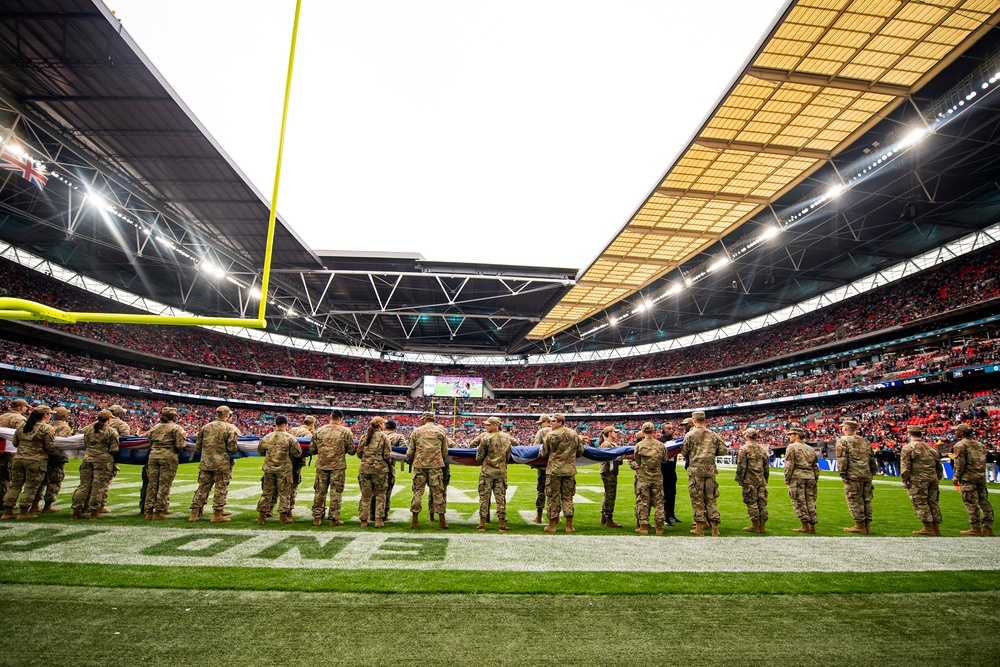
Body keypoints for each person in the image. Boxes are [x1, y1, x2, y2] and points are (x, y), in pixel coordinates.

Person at [1, 404, 55, 520]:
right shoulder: (46, 428)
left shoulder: (22, 426)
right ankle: (24, 512)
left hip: (18, 459)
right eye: (50, 414)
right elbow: (50, 447)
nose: (50, 416)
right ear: (45, 415)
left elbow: (15, 443)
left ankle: (7, 511)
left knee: (15, 486)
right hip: (36, 461)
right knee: (31, 486)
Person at [189, 405, 239, 523]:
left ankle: (194, 513)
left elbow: (198, 446)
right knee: (220, 488)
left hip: (206, 462)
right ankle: (217, 513)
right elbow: (232, 448)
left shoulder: (206, 427)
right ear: (227, 416)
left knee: (202, 487)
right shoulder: (229, 428)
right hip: (221, 464)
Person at [681, 410, 728, 536]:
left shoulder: (690, 435)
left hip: (696, 471)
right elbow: (724, 450)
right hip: (710, 471)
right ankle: (715, 529)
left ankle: (699, 528)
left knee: (697, 500)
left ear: (694, 420)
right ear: (704, 420)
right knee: (711, 499)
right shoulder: (713, 434)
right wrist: (711, 454)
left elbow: (684, 451)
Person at [469, 416, 517, 532]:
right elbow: (509, 454)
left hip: (487, 471)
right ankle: (501, 524)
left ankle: (482, 524)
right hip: (501, 471)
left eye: (488, 425)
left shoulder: (486, 437)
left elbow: (479, 456)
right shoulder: (507, 438)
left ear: (495, 425)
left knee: (484, 497)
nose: (486, 426)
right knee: (500, 497)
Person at [70, 409, 119, 521]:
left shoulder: (88, 430)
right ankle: (94, 513)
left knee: (83, 486)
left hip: (87, 459)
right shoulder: (111, 431)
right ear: (108, 419)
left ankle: (76, 511)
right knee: (98, 487)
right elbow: (114, 449)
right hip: (103, 461)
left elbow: (86, 444)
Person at [310, 409, 357, 526]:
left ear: (330, 417)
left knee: (319, 492)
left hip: (322, 465)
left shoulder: (320, 430)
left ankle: (317, 517)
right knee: (336, 492)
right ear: (341, 419)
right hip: (338, 466)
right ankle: (334, 519)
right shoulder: (346, 431)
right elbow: (351, 451)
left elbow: (312, 449)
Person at [540, 413, 584, 533]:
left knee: (552, 497)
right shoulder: (574, 434)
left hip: (554, 471)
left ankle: (552, 525)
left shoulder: (550, 435)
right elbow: (580, 451)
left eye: (554, 421)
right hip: (569, 471)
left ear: (560, 422)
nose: (551, 423)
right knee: (568, 497)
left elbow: (543, 453)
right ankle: (569, 526)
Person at [406, 412, 449, 530]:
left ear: (425, 419)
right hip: (435, 466)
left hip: (420, 465)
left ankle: (415, 521)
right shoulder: (440, 431)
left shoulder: (417, 431)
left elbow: (410, 451)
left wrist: (409, 461)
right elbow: (445, 451)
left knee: (418, 492)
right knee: (438, 492)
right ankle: (442, 521)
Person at [256, 415, 302, 525]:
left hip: (269, 468)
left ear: (275, 423)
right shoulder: (290, 438)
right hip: (284, 470)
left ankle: (262, 517)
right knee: (284, 493)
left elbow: (260, 451)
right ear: (286, 424)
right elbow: (297, 453)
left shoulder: (267, 437)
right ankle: (283, 517)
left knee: (266, 492)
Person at [143, 407, 187, 521]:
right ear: (173, 416)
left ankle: (148, 511)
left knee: (152, 484)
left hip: (153, 456)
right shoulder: (176, 428)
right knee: (164, 485)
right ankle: (159, 511)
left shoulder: (154, 428)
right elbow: (180, 445)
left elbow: (148, 440)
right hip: (168, 457)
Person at [952, 423, 994, 536]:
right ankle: (988, 527)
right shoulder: (980, 445)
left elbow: (960, 463)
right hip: (980, 477)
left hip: (968, 478)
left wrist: (956, 477)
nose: (955, 432)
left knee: (970, 502)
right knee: (984, 501)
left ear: (962, 432)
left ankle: (975, 527)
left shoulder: (960, 445)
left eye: (957, 430)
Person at [900, 425, 943, 536]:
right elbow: (939, 465)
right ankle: (936, 528)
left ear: (909, 434)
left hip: (918, 479)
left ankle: (928, 527)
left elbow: (906, 466)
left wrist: (904, 480)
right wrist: (938, 476)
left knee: (920, 502)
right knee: (933, 502)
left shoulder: (908, 448)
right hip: (932, 478)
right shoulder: (931, 447)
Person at [836, 418, 877, 534]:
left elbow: (842, 459)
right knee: (867, 500)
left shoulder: (843, 441)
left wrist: (842, 474)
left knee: (854, 500)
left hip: (853, 475)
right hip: (866, 474)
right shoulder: (865, 441)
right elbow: (872, 459)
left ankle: (859, 525)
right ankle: (867, 525)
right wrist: (872, 472)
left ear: (845, 428)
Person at [32, 405, 71, 514]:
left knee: (41, 481)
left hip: (43, 457)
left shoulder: (47, 425)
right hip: (57, 458)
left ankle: (35, 505)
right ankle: (47, 506)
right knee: (54, 481)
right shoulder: (64, 427)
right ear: (64, 415)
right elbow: (61, 442)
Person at [631, 422, 666, 535]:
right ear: (653, 431)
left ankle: (643, 526)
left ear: (642, 431)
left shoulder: (639, 445)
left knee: (643, 502)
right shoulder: (660, 445)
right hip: (657, 478)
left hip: (644, 478)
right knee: (659, 503)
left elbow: (637, 461)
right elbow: (664, 460)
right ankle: (659, 528)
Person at [357, 416, 391, 528]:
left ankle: (363, 520)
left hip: (365, 469)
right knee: (380, 495)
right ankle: (378, 520)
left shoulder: (364, 437)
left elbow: (359, 453)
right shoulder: (384, 437)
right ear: (380, 425)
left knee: (365, 496)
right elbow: (387, 455)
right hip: (379, 470)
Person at [783, 426, 819, 534]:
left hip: (797, 477)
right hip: (810, 477)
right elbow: (815, 467)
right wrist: (815, 478)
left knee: (799, 501)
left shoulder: (792, 447)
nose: (789, 436)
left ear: (797, 435)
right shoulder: (811, 449)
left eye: (791, 434)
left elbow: (789, 464)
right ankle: (812, 526)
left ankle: (805, 526)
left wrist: (787, 477)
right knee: (810, 501)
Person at [735, 427, 770, 533]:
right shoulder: (762, 449)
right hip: (761, 480)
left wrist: (739, 479)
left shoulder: (744, 449)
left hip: (749, 480)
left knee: (752, 503)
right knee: (762, 503)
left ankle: (755, 525)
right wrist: (766, 478)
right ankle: (762, 526)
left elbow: (741, 466)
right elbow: (766, 466)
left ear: (747, 436)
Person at [100, 404, 130, 513]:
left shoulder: (95, 424)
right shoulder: (122, 425)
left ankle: (83, 506)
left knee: (87, 483)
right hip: (109, 457)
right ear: (119, 413)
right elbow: (126, 441)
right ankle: (99, 506)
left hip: (90, 456)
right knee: (103, 483)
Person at [282, 415, 315, 516]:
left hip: (284, 460)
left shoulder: (292, 430)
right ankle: (288, 510)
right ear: (312, 425)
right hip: (296, 462)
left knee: (281, 485)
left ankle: (269, 508)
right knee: (293, 485)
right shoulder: (307, 434)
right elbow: (310, 448)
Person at [375, 419, 406, 523]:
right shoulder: (398, 436)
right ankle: (384, 515)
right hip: (388, 465)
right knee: (386, 491)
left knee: (372, 491)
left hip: (373, 465)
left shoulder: (377, 435)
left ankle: (371, 514)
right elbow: (404, 449)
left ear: (385, 426)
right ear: (395, 428)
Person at [0, 399, 29, 502]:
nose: (26, 409)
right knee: (7, 477)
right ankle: (4, 502)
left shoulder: (2, 416)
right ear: (21, 408)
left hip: (1, 449)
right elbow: (22, 435)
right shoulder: (20, 419)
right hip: (10, 451)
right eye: (25, 407)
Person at [659, 421, 685, 526]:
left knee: (672, 494)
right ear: (663, 430)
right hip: (664, 472)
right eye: (668, 429)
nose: (671, 430)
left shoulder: (675, 442)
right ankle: (665, 517)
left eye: (671, 428)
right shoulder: (660, 441)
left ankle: (671, 514)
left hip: (672, 472)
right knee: (665, 495)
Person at [598, 425, 622, 528]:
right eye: (615, 432)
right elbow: (608, 458)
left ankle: (604, 516)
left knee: (608, 494)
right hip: (609, 472)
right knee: (610, 495)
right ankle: (608, 518)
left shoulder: (610, 444)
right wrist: (621, 457)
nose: (616, 434)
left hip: (609, 471)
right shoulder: (607, 444)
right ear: (609, 433)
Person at [530, 415, 552, 524]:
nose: (540, 425)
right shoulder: (561, 432)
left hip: (544, 466)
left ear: (547, 422)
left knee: (541, 490)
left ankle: (539, 516)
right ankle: (555, 517)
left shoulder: (542, 432)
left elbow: (536, 448)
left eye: (541, 423)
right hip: (558, 467)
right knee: (556, 492)